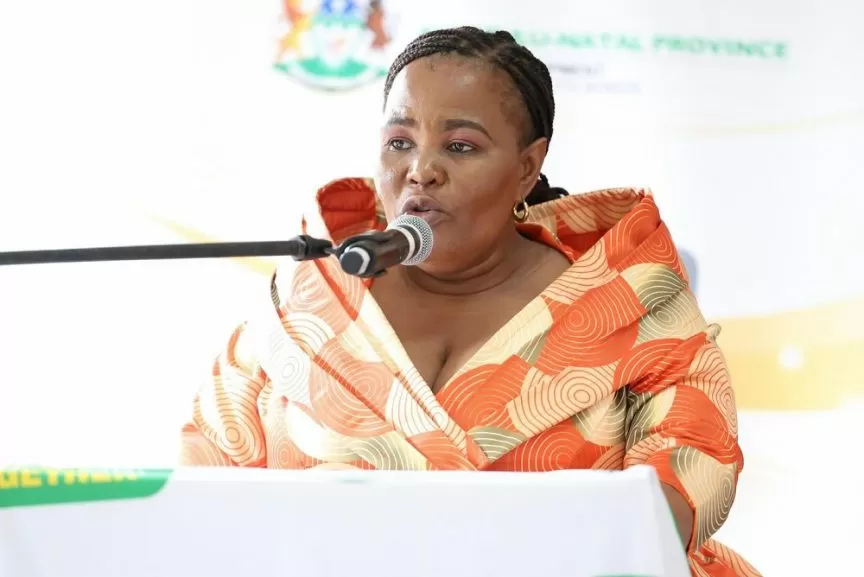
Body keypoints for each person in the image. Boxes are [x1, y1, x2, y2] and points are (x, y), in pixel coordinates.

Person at [180, 26, 759, 577]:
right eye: (399, 142)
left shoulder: (633, 302)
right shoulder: (304, 301)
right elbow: (206, 498)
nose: (420, 171)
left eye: (460, 146)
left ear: (527, 167)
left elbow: (684, 483)